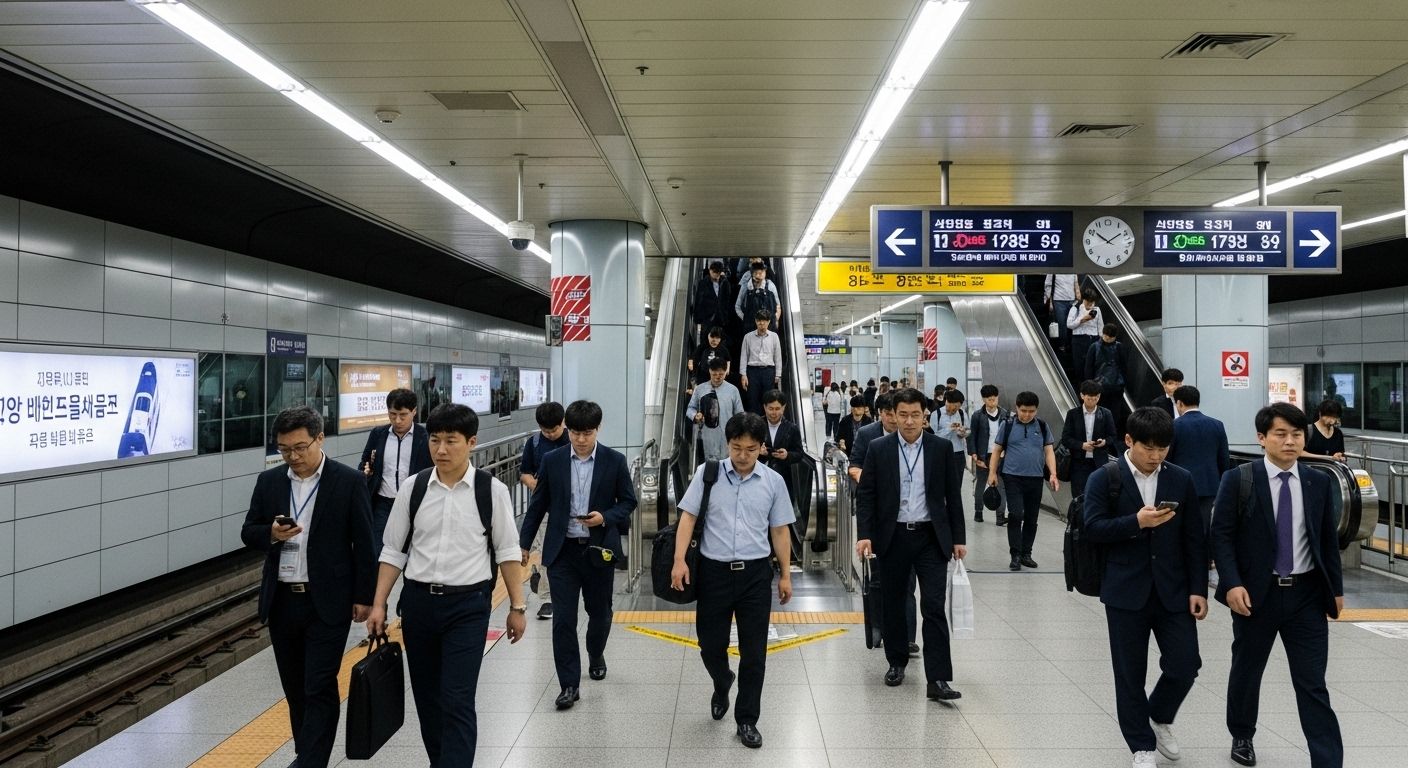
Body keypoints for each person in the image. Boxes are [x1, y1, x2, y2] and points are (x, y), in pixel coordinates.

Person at [365, 403, 527, 768]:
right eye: (434, 441)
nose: (440, 450)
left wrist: (517, 607)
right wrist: (379, 604)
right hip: (419, 605)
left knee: (456, 698)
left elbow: (507, 552)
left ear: (471, 442)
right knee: (428, 700)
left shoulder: (492, 490)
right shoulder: (414, 487)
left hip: (467, 607)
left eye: (450, 441)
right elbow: (393, 551)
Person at [1210, 402, 1344, 768]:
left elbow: (1326, 541)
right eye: (1281, 434)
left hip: (1307, 596)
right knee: (1247, 670)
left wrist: (1336, 589)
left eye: (1297, 434)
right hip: (1256, 595)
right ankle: (1242, 733)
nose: (1290, 441)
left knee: (1312, 682)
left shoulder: (1318, 481)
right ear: (1262, 438)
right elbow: (1220, 536)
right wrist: (1232, 583)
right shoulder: (1239, 480)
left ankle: (1327, 759)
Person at [242, 406, 375, 768]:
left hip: (327, 601)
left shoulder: (347, 482)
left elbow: (365, 543)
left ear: (319, 439)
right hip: (284, 600)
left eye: (300, 447)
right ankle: (308, 753)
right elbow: (248, 532)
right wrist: (270, 533)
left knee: (319, 684)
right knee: (296, 689)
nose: (293, 457)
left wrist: (366, 597)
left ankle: (309, 762)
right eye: (284, 449)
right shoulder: (269, 482)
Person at [1084, 407, 1208, 768]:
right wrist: (1135, 522)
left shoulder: (1181, 479)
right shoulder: (1106, 477)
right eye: (1148, 448)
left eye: (1163, 448)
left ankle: (1158, 715)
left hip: (1173, 589)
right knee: (1129, 672)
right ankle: (1141, 745)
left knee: (1186, 664)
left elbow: (1194, 539)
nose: (1156, 456)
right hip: (1125, 590)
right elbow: (1093, 528)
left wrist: (1198, 588)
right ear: (1128, 441)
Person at [670, 412, 795, 749]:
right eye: (737, 448)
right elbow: (688, 517)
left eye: (751, 449)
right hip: (713, 573)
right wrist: (679, 560)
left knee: (755, 653)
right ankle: (722, 679)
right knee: (710, 645)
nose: (743, 456)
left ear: (761, 448)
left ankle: (747, 719)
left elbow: (780, 530)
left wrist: (785, 574)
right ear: (727, 444)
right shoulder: (707, 474)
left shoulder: (773, 482)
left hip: (755, 574)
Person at [518, 400, 637, 709]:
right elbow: (538, 505)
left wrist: (605, 517)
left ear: (597, 430)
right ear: (567, 431)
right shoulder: (553, 460)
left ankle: (595, 653)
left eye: (588, 433)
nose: (581, 440)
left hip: (598, 552)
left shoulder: (614, 461)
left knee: (600, 614)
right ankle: (569, 684)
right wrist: (524, 544)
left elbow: (628, 501)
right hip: (563, 553)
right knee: (563, 621)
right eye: (576, 433)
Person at [855, 388, 967, 702]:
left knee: (933, 606)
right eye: (902, 414)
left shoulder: (941, 448)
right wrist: (865, 534)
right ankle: (896, 661)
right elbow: (866, 497)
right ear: (893, 415)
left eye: (914, 414)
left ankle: (939, 678)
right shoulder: (879, 448)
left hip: (931, 537)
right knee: (892, 602)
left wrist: (958, 538)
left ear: (925, 415)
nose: (908, 420)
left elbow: (952, 497)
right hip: (893, 536)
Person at [986, 390, 1059, 571]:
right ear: (1017, 408)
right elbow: (996, 450)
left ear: (1037, 410)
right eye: (1023, 410)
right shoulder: (1008, 425)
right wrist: (992, 473)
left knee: (1032, 518)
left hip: (1035, 478)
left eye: (1031, 411)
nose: (1027, 415)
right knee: (1016, 514)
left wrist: (1053, 473)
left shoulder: (1042, 426)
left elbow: (1049, 451)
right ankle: (1015, 554)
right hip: (1012, 477)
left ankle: (1027, 553)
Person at [359, 387, 432, 555]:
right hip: (383, 504)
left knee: (414, 553)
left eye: (403, 415)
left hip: (415, 503)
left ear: (414, 412)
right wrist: (366, 470)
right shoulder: (378, 434)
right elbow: (364, 461)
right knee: (376, 552)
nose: (397, 420)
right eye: (392, 414)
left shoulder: (425, 436)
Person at [519, 401, 570, 620]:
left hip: (568, 508)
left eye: (554, 430)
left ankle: (539, 575)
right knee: (547, 551)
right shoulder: (535, 442)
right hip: (544, 509)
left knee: (559, 553)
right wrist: (540, 487)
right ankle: (548, 599)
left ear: (563, 423)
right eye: (545, 430)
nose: (549, 435)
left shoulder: (572, 440)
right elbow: (524, 473)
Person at [1167, 385, 1230, 533]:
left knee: (1182, 529)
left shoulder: (1173, 426)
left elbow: (1168, 457)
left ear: (1179, 403)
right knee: (1204, 528)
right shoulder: (1217, 425)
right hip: (1210, 486)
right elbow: (1224, 459)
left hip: (1180, 486)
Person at [1061, 379, 1117, 498]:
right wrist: (1082, 445)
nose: (1092, 401)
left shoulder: (1106, 413)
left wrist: (1104, 442)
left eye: (1095, 398)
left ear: (1099, 396)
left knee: (1098, 495)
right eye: (1089, 398)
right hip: (1078, 463)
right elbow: (1065, 438)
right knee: (1079, 496)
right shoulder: (1073, 414)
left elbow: (1113, 436)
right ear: (1082, 395)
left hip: (1099, 462)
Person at [687, 357, 746, 461]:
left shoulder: (733, 390)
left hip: (727, 435)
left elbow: (740, 414)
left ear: (725, 372)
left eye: (721, 374)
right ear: (710, 371)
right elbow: (690, 409)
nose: (717, 377)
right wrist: (695, 416)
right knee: (709, 467)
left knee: (727, 465)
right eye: (714, 374)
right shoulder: (700, 389)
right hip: (707, 435)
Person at [966, 384, 1010, 525]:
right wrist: (973, 453)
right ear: (984, 400)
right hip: (983, 454)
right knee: (981, 483)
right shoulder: (978, 416)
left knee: (1001, 484)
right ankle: (978, 512)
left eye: (995, 399)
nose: (992, 402)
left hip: (1001, 454)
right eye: (989, 399)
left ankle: (1000, 516)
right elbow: (972, 435)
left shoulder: (1005, 414)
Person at [762, 389, 805, 505]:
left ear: (784, 408)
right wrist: (758, 452)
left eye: (777, 409)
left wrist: (787, 455)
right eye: (770, 409)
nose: (774, 413)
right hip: (761, 479)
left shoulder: (791, 428)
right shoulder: (757, 425)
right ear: (765, 407)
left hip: (783, 479)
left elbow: (799, 454)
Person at [1085, 323, 1129, 434]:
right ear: (1102, 334)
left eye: (1111, 337)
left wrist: (1123, 382)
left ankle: (1111, 436)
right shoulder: (1094, 347)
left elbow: (1124, 366)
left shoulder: (1119, 347)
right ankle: (1102, 434)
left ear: (1115, 337)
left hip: (1116, 387)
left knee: (1114, 414)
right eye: (1106, 336)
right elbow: (1088, 368)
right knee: (1100, 414)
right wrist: (1089, 386)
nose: (1108, 339)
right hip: (1099, 388)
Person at [739, 310, 784, 416]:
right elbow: (744, 356)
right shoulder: (748, 337)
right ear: (755, 321)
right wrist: (743, 375)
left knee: (768, 399)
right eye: (759, 321)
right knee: (752, 399)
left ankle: (766, 425)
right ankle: (754, 426)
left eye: (764, 321)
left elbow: (778, 356)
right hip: (752, 371)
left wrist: (778, 374)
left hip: (768, 371)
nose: (761, 324)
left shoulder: (774, 337)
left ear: (768, 322)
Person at [932, 390, 968, 492]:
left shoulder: (962, 413)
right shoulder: (936, 414)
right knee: (941, 486)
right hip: (941, 454)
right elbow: (932, 436)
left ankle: (954, 507)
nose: (954, 411)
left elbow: (968, 430)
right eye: (952, 409)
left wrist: (963, 433)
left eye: (956, 408)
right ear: (947, 402)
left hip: (958, 455)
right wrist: (949, 429)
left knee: (956, 487)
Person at [693, 260, 732, 345]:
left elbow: (728, 300)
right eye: (714, 272)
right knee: (706, 340)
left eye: (718, 273)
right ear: (710, 271)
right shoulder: (703, 283)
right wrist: (698, 318)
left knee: (720, 341)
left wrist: (725, 315)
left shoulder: (725, 283)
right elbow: (699, 300)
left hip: (721, 317)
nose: (716, 275)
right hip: (707, 317)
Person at [735, 262, 781, 328]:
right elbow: (737, 306)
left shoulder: (770, 285)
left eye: (761, 273)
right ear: (752, 274)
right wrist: (746, 320)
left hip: (768, 326)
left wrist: (774, 320)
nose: (758, 275)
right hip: (751, 327)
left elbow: (778, 305)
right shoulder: (746, 286)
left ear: (765, 273)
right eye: (756, 273)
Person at [1068, 295, 1103, 381]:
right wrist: (1082, 319)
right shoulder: (1075, 309)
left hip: (1094, 339)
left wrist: (1102, 339)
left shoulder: (1096, 309)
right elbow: (1069, 325)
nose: (1090, 305)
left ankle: (1092, 385)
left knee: (1092, 364)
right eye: (1088, 303)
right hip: (1079, 339)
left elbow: (1100, 325)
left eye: (1092, 303)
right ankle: (1082, 385)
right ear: (1084, 300)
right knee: (1079, 365)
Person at [1044, 274, 1079, 357]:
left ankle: (1069, 345)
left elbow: (1076, 283)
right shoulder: (1053, 270)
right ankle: (1062, 346)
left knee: (1071, 324)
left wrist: (1077, 296)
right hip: (1058, 300)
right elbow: (1048, 285)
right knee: (1062, 324)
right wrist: (1050, 302)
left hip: (1072, 300)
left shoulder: (1072, 269)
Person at [688, 326, 731, 393]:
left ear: (720, 339)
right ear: (708, 336)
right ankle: (695, 391)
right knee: (701, 384)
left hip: (715, 374)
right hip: (703, 372)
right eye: (712, 337)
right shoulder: (704, 345)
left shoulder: (723, 349)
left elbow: (728, 359)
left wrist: (727, 370)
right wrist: (691, 361)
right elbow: (695, 353)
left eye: (717, 338)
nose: (714, 340)